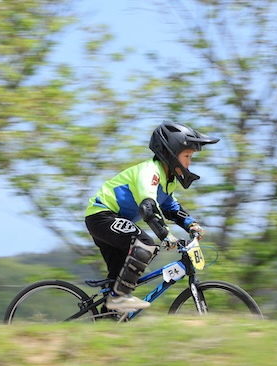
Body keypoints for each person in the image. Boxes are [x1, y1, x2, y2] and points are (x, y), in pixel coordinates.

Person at [85, 120, 219, 311]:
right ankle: (119, 298)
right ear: (170, 153)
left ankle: (108, 317)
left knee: (120, 278)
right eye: (187, 155)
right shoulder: (150, 172)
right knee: (145, 245)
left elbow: (170, 207)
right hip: (102, 216)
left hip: (113, 221)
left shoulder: (167, 180)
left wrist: (191, 224)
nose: (189, 162)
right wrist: (165, 235)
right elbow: (148, 208)